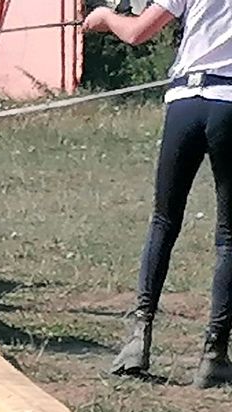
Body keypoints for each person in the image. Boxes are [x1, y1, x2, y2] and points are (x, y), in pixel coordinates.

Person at [83, 0, 232, 388]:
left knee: (164, 222)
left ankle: (138, 339)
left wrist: (103, 18)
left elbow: (136, 33)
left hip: (185, 102)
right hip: (230, 106)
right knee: (229, 237)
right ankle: (214, 354)